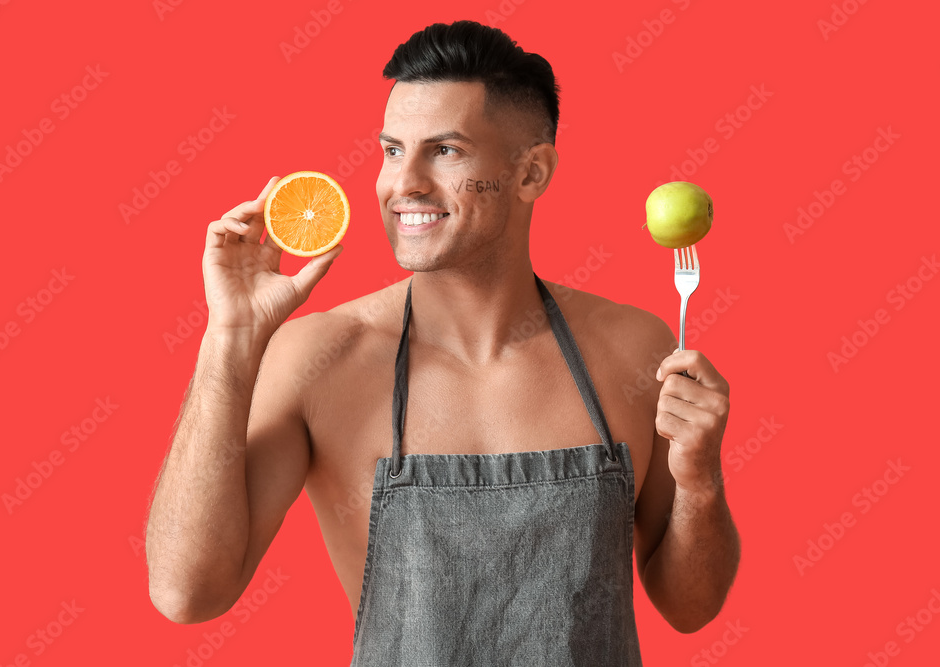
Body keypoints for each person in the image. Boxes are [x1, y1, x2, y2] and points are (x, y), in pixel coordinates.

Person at [145, 20, 739, 665]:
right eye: (393, 149)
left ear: (531, 173)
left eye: (446, 151)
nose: (405, 184)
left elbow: (690, 607)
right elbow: (187, 593)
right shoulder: (320, 359)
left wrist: (700, 482)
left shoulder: (634, 346)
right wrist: (230, 338)